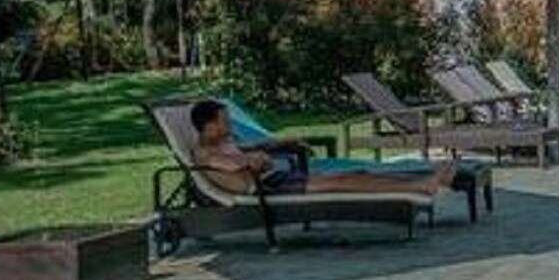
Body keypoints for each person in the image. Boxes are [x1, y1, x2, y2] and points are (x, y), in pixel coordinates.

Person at [189, 99, 452, 197]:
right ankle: (421, 185)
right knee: (346, 181)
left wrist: (279, 144)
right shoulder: (204, 153)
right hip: (268, 187)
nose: (229, 125)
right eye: (224, 121)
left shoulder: (224, 142)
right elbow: (238, 164)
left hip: (276, 177)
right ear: (208, 126)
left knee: (358, 175)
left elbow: (250, 150)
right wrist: (255, 158)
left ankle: (424, 180)